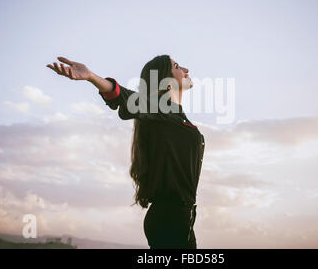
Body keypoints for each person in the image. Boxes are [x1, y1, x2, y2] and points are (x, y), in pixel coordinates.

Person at [46, 55, 205, 249]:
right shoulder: (159, 111)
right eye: (178, 66)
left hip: (181, 218)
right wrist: (91, 77)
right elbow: (125, 98)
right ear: (166, 82)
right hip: (170, 219)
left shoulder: (176, 117)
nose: (186, 69)